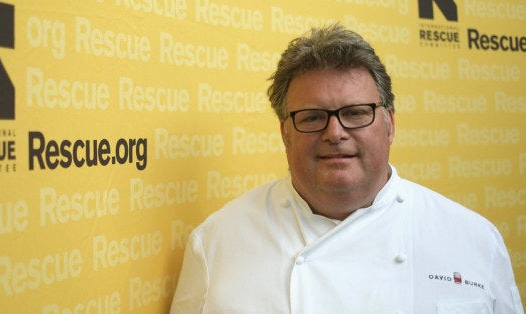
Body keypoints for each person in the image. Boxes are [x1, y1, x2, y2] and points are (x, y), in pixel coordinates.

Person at [170, 24, 524, 313]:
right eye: (312, 117)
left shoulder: (474, 239)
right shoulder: (215, 242)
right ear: (285, 133)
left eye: (355, 113)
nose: (335, 133)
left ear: (389, 124)